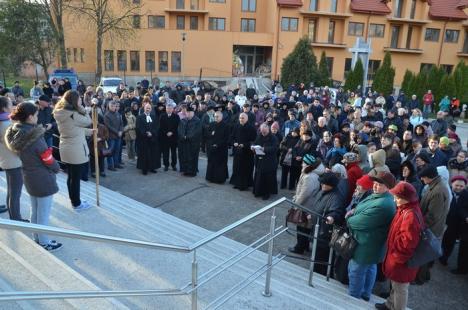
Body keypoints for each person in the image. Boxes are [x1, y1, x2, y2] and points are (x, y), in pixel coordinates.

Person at [5, 102, 62, 251]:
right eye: (36, 115)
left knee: (35, 208)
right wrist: (57, 168)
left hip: (28, 175)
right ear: (30, 117)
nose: (37, 118)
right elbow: (47, 158)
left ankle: (36, 237)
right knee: (43, 212)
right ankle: (44, 242)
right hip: (42, 177)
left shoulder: (15, 133)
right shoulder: (34, 136)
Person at [346, 171, 396, 301]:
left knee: (356, 271)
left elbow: (360, 222)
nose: (375, 186)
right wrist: (354, 211)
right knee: (369, 268)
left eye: (379, 184)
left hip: (366, 245)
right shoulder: (378, 196)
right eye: (375, 183)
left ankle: (353, 299)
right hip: (369, 244)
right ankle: (365, 294)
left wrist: (349, 219)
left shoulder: (384, 204)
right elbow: (360, 209)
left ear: (388, 187)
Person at [375, 181, 423, 310]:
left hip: (401, 261)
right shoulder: (406, 209)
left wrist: (396, 258)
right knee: (395, 285)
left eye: (397, 197)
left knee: (400, 288)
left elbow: (407, 244)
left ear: (405, 198)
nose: (395, 199)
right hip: (398, 259)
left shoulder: (410, 215)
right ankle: (390, 304)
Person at [53, 90, 93, 212]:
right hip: (75, 149)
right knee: (75, 178)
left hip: (67, 147)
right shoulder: (72, 114)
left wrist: (89, 132)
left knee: (71, 176)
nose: (80, 101)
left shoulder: (62, 112)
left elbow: (73, 129)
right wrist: (83, 109)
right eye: (79, 99)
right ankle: (77, 204)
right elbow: (88, 121)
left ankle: (74, 200)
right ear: (74, 101)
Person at [415, 165, 450, 284]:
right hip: (430, 228)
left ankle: (420, 278)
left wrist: (419, 225)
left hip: (430, 229)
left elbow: (432, 216)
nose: (422, 180)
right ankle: (421, 276)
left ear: (429, 177)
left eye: (423, 178)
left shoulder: (438, 191)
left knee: (423, 255)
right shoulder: (435, 186)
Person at [288, 154, 325, 254]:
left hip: (305, 206)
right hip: (308, 205)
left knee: (302, 228)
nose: (302, 164)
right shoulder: (312, 173)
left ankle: (299, 248)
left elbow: (305, 193)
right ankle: (304, 246)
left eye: (304, 162)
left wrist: (296, 204)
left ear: (308, 164)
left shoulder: (309, 176)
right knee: (305, 228)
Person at [0, 96, 24, 219]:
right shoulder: (6, 125)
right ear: (4, 108)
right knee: (15, 192)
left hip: (7, 160)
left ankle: (13, 214)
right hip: (12, 161)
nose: (12, 105)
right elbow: (16, 145)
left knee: (11, 191)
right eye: (10, 104)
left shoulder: (4, 122)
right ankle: (16, 218)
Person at [440, 175, 468, 275]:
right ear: (452, 184)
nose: (459, 188)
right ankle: (441, 256)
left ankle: (445, 257)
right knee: (443, 239)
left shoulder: (466, 195)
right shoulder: (448, 193)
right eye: (457, 185)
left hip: (458, 224)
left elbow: (463, 209)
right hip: (446, 220)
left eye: (461, 186)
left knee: (450, 242)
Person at [230, 113, 257, 191]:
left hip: (247, 153)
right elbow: (232, 137)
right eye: (240, 118)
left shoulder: (251, 128)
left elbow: (254, 141)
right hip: (237, 152)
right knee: (237, 168)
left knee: (245, 169)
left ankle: (245, 185)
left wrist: (244, 145)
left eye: (243, 118)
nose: (241, 119)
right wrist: (233, 142)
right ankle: (236, 183)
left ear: (247, 119)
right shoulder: (236, 126)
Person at [252, 123, 278, 200]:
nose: (263, 133)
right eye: (262, 131)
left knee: (267, 178)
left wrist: (264, 149)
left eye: (264, 132)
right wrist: (253, 147)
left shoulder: (273, 137)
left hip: (269, 161)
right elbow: (255, 143)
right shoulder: (259, 136)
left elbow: (275, 148)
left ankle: (266, 193)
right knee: (258, 176)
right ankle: (257, 191)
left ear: (268, 129)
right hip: (259, 160)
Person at [205, 111, 229, 184]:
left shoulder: (226, 126)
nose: (216, 118)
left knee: (220, 164)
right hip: (211, 147)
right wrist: (211, 136)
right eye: (215, 116)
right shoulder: (211, 124)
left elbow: (226, 138)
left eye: (217, 116)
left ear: (221, 117)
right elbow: (207, 134)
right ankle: (210, 177)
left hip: (221, 149)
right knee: (211, 163)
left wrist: (218, 144)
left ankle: (220, 179)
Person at [135, 103, 159, 175]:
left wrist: (152, 133)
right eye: (146, 108)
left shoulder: (154, 117)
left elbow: (157, 127)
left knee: (152, 154)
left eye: (149, 108)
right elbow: (139, 127)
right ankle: (144, 169)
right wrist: (146, 133)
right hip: (143, 139)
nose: (148, 109)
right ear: (144, 108)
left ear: (151, 109)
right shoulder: (140, 117)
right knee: (144, 154)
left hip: (152, 138)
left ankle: (152, 167)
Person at [178, 106, 202, 176]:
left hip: (193, 143)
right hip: (184, 143)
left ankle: (192, 172)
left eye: (189, 112)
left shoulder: (197, 121)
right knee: (184, 157)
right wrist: (183, 136)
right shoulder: (183, 120)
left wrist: (187, 136)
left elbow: (197, 132)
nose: (188, 114)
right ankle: (185, 170)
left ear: (193, 112)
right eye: (187, 112)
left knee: (192, 157)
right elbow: (179, 130)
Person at [159, 102, 180, 171]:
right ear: (166, 109)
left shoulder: (176, 116)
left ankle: (174, 165)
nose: (169, 109)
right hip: (165, 137)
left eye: (170, 108)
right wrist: (166, 133)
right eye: (167, 108)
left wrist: (172, 132)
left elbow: (177, 126)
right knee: (166, 152)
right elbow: (161, 127)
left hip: (173, 137)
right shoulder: (162, 116)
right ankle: (166, 165)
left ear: (173, 109)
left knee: (174, 152)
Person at [104, 101, 124, 170]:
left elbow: (121, 123)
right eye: (112, 106)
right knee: (110, 151)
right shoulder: (107, 115)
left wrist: (121, 131)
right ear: (109, 106)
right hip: (111, 136)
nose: (113, 107)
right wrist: (117, 132)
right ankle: (110, 165)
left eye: (114, 106)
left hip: (118, 136)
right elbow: (109, 126)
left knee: (117, 150)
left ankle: (116, 164)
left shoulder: (118, 113)